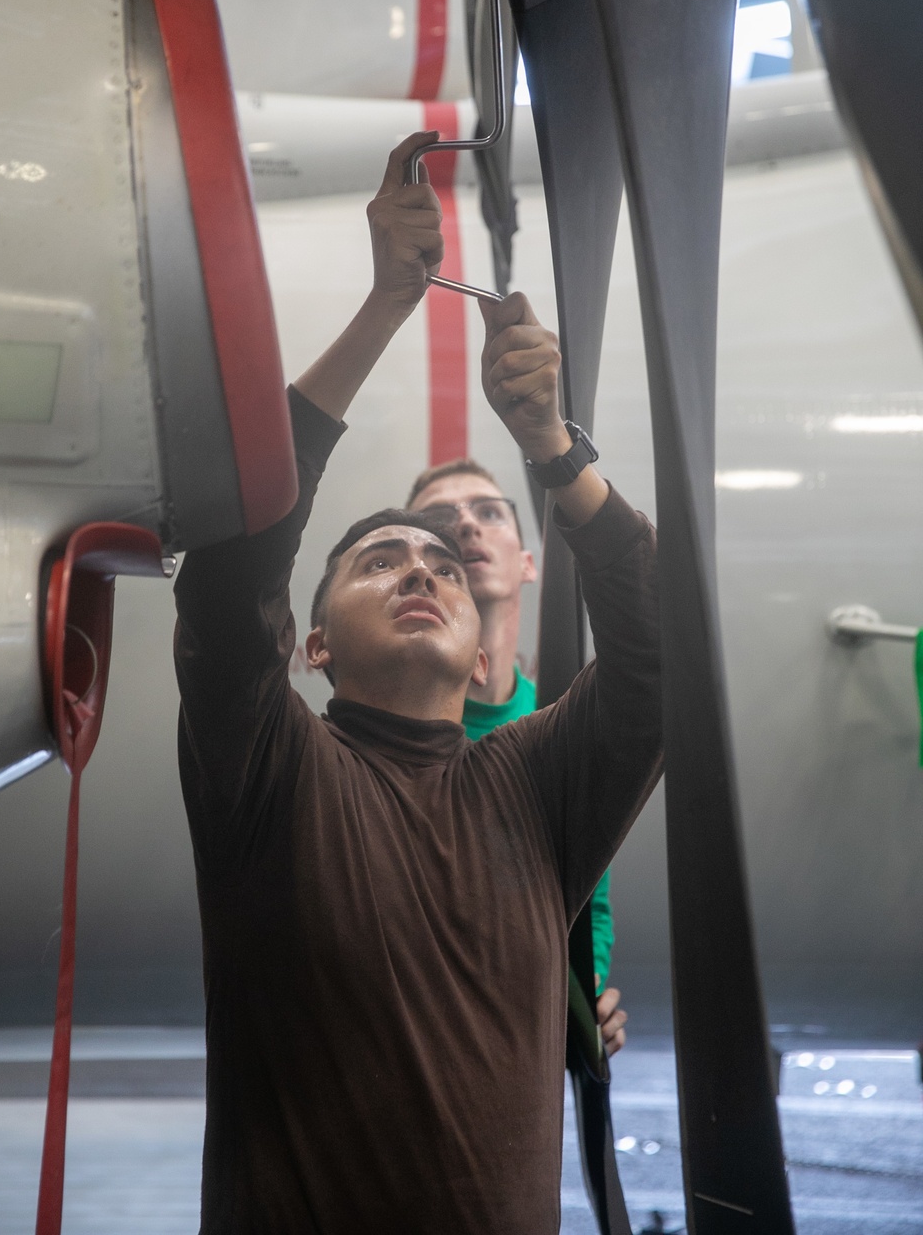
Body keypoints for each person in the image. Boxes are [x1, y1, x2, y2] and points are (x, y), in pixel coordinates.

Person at [173, 132, 662, 1234]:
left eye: (445, 563)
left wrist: (550, 444)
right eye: (380, 559)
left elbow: (661, 644)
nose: (424, 569)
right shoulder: (268, 767)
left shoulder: (533, 793)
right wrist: (387, 306)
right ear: (314, 647)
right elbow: (229, 569)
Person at [406, 458, 628, 1057]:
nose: (466, 525)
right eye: (438, 518)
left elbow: (587, 905)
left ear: (529, 564)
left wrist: (579, 997)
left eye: (488, 512)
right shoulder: (384, 721)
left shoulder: (563, 724)